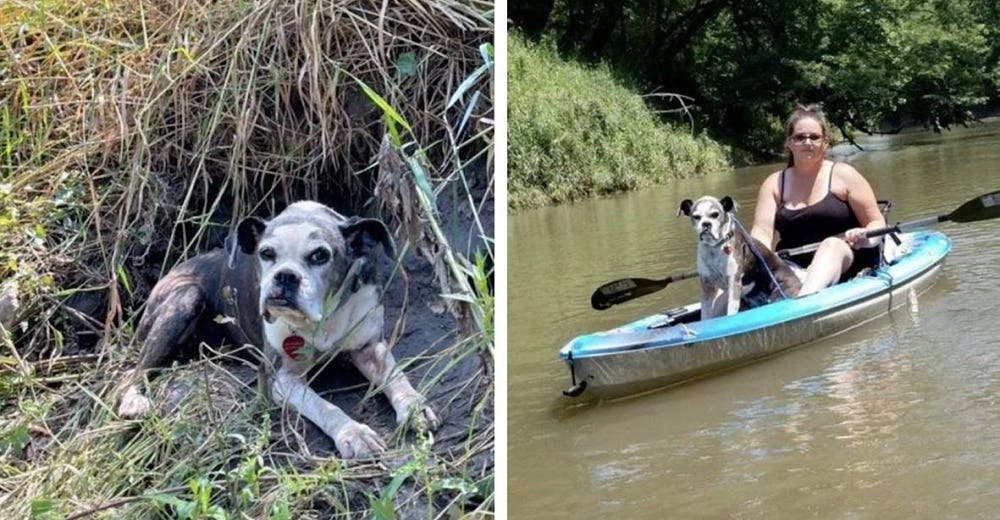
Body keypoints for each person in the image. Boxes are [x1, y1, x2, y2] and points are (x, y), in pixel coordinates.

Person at [750, 104, 886, 296]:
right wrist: (751, 256)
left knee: (830, 245)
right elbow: (761, 233)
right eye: (800, 137)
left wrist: (864, 234)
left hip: (847, 255)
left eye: (814, 137)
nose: (807, 142)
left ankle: (803, 301)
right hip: (792, 267)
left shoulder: (845, 175)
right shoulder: (773, 184)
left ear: (825, 143)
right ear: (789, 143)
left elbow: (876, 222)